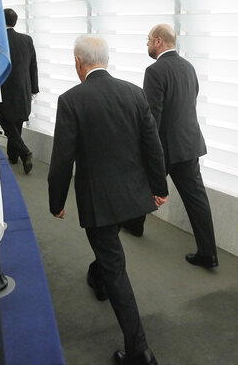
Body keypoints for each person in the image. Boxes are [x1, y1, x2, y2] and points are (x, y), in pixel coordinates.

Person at [48, 35, 168, 365]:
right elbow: (153, 146)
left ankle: (139, 350)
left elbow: (62, 160)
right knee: (107, 254)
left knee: (115, 269)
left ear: (78, 62)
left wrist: (56, 201)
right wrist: (159, 188)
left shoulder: (71, 100)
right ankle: (97, 279)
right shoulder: (134, 93)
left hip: (99, 203)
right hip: (133, 199)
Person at [122, 24, 218, 268]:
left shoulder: (154, 71)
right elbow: (190, 101)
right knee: (197, 200)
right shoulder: (189, 67)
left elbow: (152, 116)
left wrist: (145, 148)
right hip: (189, 144)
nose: (146, 45)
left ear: (158, 42)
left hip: (165, 148)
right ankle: (209, 254)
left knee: (142, 184)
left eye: (148, 40)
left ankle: (134, 225)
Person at [0, 8, 39, 174]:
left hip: (4, 89)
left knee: (6, 122)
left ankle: (24, 152)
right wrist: (34, 89)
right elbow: (33, 66)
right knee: (16, 122)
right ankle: (13, 156)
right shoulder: (26, 40)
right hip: (23, 89)